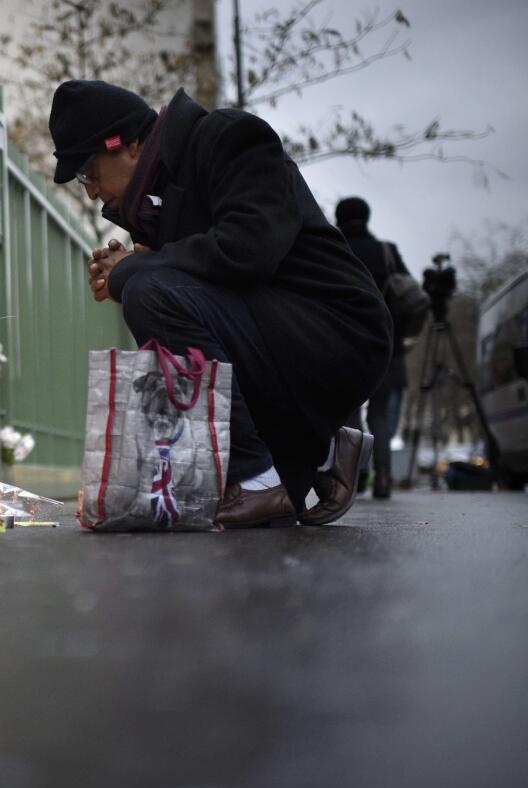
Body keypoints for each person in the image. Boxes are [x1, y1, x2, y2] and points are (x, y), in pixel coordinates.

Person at [49, 80, 392, 527]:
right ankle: (321, 455)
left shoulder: (229, 136)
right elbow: (209, 309)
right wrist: (140, 264)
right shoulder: (158, 201)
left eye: (89, 171)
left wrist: (135, 271)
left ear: (131, 144)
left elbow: (249, 247)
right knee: (155, 298)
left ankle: (256, 478)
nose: (91, 191)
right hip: (287, 333)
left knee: (149, 295)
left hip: (340, 331)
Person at [335, 197, 413, 499]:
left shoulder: (332, 246)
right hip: (386, 343)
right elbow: (406, 291)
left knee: (349, 412)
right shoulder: (386, 251)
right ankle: (384, 479)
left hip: (343, 343)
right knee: (379, 415)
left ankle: (355, 478)